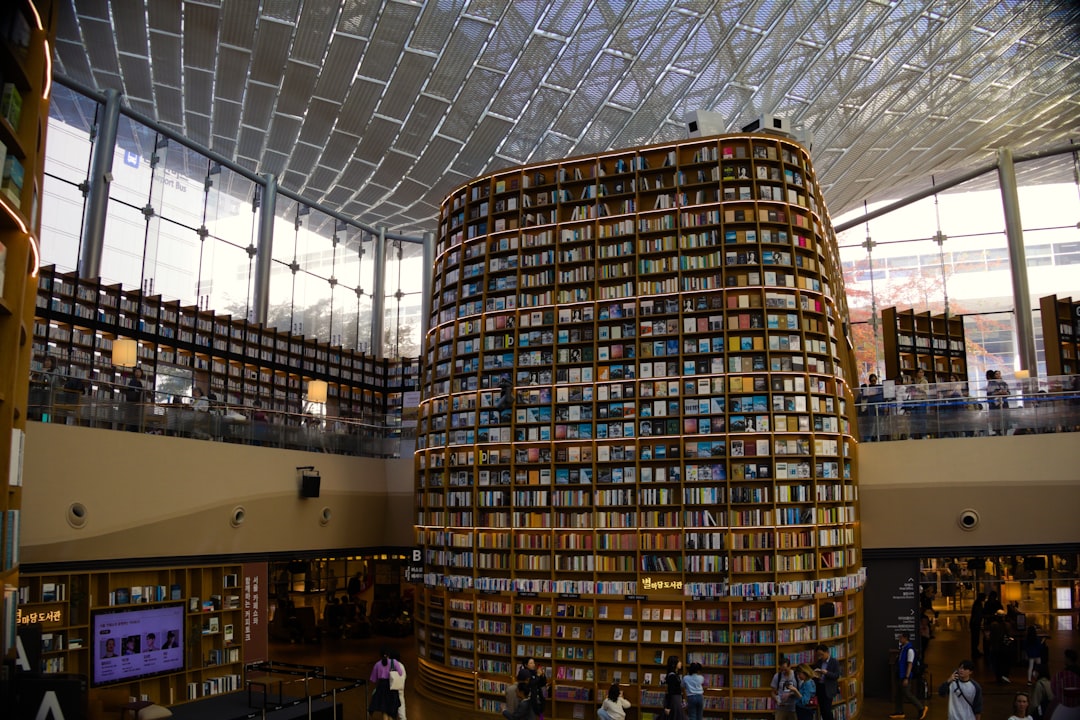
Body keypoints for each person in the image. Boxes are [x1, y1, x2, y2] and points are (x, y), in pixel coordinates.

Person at [891, 631, 927, 720]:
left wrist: (906, 677)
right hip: (900, 675)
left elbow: (910, 664)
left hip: (905, 676)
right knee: (898, 693)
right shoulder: (903, 648)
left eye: (901, 637)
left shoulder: (910, 650)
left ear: (905, 638)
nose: (899, 639)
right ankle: (899, 711)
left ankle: (921, 708)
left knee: (907, 693)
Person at [368, 647, 402, 719]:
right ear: (389, 654)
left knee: (384, 710)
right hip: (392, 687)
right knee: (392, 710)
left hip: (382, 688)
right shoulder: (394, 662)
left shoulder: (377, 664)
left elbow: (373, 679)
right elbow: (400, 673)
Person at [813, 643, 841, 720]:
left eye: (821, 655)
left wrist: (826, 673)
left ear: (827, 652)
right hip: (820, 688)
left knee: (827, 710)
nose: (820, 657)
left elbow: (836, 675)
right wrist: (815, 675)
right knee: (822, 710)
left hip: (828, 689)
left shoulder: (834, 662)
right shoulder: (819, 662)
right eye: (818, 655)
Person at [124, 366, 150, 431]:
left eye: (139, 372)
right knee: (132, 415)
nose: (138, 373)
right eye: (136, 372)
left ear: (141, 373)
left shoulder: (140, 382)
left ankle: (136, 429)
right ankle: (130, 429)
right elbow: (131, 389)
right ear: (134, 373)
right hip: (132, 402)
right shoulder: (132, 381)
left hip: (138, 402)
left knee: (137, 416)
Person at [662, 655, 686, 720]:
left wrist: (682, 698)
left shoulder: (676, 675)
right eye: (679, 661)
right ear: (674, 664)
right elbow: (670, 691)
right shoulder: (672, 676)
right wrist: (668, 707)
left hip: (677, 699)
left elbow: (678, 689)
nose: (680, 663)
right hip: (674, 700)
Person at [390, 649, 407, 720]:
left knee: (390, 711)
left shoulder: (390, 666)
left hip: (391, 691)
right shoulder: (401, 666)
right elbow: (404, 677)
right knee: (401, 709)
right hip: (400, 690)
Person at [970, 592, 986, 659]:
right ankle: (975, 651)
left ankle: (975, 651)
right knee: (975, 638)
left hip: (975, 623)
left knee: (975, 638)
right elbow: (978, 615)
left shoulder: (977, 603)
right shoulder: (978, 604)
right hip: (975, 623)